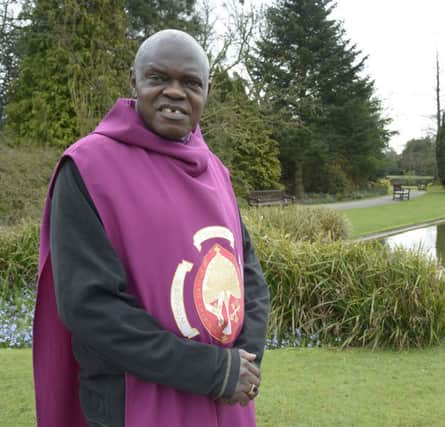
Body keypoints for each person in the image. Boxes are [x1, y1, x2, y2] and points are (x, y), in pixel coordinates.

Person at [33, 29, 269, 427]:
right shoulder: (89, 169)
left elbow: (248, 275)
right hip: (130, 401)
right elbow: (90, 307)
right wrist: (211, 371)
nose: (175, 93)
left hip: (223, 401)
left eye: (191, 83)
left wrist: (242, 362)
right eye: (159, 78)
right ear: (134, 81)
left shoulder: (216, 171)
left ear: (207, 91)